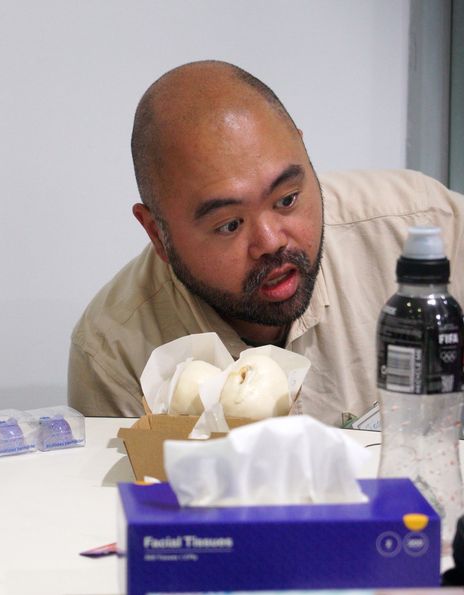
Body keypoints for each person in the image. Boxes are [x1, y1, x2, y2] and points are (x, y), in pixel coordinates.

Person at [68, 60, 464, 425]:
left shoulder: (428, 226)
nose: (271, 242)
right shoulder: (114, 353)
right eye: (229, 224)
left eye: (287, 200)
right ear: (157, 233)